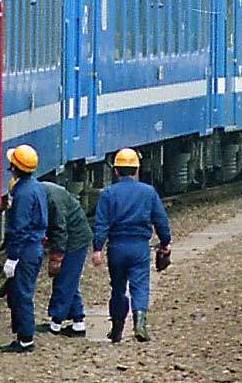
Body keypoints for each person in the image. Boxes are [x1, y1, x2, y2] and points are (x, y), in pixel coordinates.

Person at [91, 147, 172, 343]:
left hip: (116, 248)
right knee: (140, 285)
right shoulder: (148, 192)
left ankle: (117, 328)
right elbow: (160, 220)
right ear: (137, 169)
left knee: (117, 288)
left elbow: (101, 223)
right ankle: (140, 323)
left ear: (116, 171)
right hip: (139, 247)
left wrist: (97, 249)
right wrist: (165, 242)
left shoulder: (109, 193)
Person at [0, 143, 48, 353]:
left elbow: (20, 227)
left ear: (15, 167)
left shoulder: (23, 193)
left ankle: (26, 339)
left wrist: (12, 257)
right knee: (20, 292)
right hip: (33, 247)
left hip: (25, 249)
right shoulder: (37, 187)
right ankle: (22, 335)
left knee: (22, 294)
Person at [40, 175, 91, 336]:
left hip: (75, 239)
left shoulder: (52, 199)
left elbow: (60, 229)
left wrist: (57, 257)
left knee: (64, 280)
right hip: (76, 236)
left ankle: (56, 322)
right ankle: (78, 323)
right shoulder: (46, 192)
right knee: (69, 280)